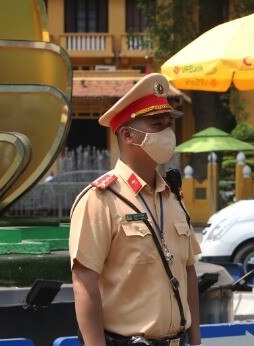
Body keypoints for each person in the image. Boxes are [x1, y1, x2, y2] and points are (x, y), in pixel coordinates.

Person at [69, 73, 201, 346]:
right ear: (128, 134)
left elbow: (188, 270)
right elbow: (84, 281)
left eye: (168, 124)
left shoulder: (172, 196)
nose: (167, 133)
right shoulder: (100, 199)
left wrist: (196, 339)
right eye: (156, 124)